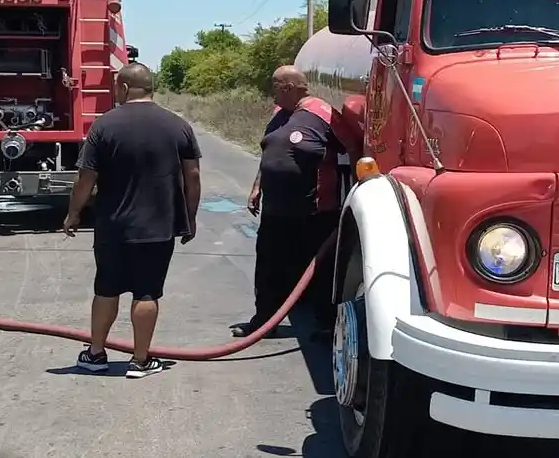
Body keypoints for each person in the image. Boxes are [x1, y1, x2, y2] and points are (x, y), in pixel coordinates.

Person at [63, 62, 202, 379]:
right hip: (157, 228)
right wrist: (189, 219)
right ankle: (140, 361)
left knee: (106, 290)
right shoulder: (177, 126)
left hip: (113, 228)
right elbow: (192, 177)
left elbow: (86, 178)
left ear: (124, 88)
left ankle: (96, 353)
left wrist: (74, 213)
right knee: (147, 292)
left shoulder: (104, 126)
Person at [231, 65, 359, 340]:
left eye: (275, 87)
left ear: (288, 87)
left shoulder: (321, 113)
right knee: (268, 267)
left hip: (313, 211)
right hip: (276, 210)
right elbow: (270, 152)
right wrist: (257, 186)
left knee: (318, 270)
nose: (271, 93)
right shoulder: (279, 115)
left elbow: (353, 147)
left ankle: (326, 326)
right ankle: (264, 321)